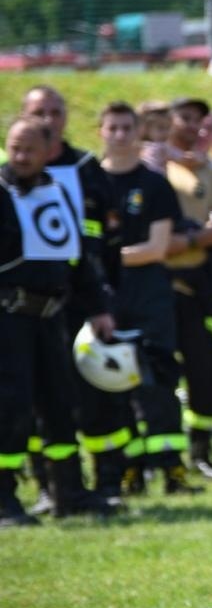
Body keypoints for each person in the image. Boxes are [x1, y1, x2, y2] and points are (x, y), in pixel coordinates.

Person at [0, 119, 116, 525]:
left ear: (49, 149)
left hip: (52, 317)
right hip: (9, 317)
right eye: (14, 148)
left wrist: (99, 308)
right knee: (11, 409)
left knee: (60, 404)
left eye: (29, 149)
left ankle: (67, 490)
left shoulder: (60, 192)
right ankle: (4, 498)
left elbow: (81, 256)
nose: (20, 157)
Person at [91, 103, 195, 497]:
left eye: (126, 128)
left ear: (138, 133)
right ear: (100, 131)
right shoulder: (91, 185)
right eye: (112, 127)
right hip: (106, 297)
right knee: (111, 384)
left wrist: (103, 254)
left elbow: (157, 247)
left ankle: (172, 470)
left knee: (160, 378)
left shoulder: (154, 184)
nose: (119, 135)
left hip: (150, 295)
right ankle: (127, 470)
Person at [162, 98, 212, 479]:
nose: (192, 126)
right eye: (185, 118)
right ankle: (159, 457)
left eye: (198, 120)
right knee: (155, 373)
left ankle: (202, 451)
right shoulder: (155, 166)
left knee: (204, 370)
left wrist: (186, 242)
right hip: (156, 287)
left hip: (196, 289)